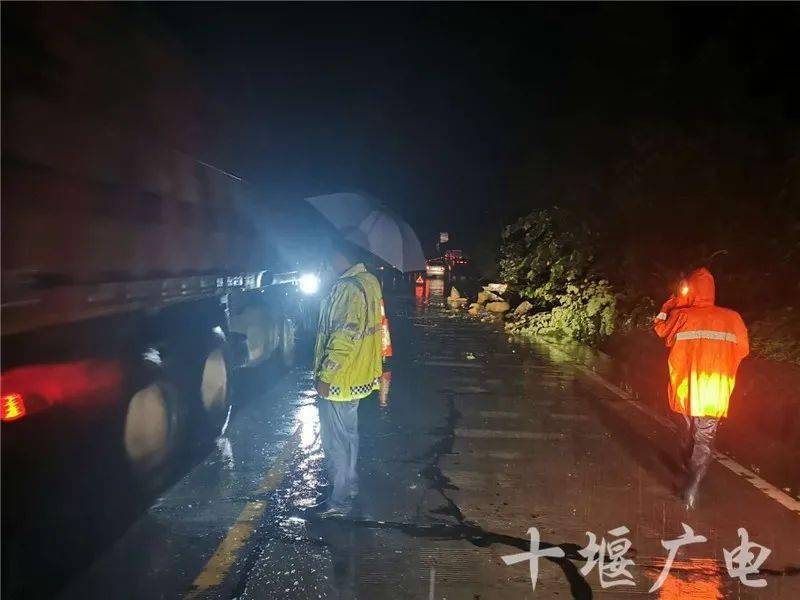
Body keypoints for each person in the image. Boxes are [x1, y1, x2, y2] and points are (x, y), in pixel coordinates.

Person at [653, 267, 749, 510]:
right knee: (705, 436)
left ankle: (689, 472)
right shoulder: (733, 318)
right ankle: (693, 485)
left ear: (691, 291)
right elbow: (743, 350)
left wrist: (673, 302)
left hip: (687, 387)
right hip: (715, 388)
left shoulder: (682, 316)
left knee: (687, 433)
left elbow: (660, 329)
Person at [313, 241, 384, 517]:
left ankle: (339, 502)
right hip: (359, 375)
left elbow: (344, 336)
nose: (328, 261)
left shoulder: (346, 288)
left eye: (330, 255)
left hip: (340, 379)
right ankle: (350, 485)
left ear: (340, 255)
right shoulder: (369, 281)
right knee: (350, 435)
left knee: (336, 442)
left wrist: (326, 376)